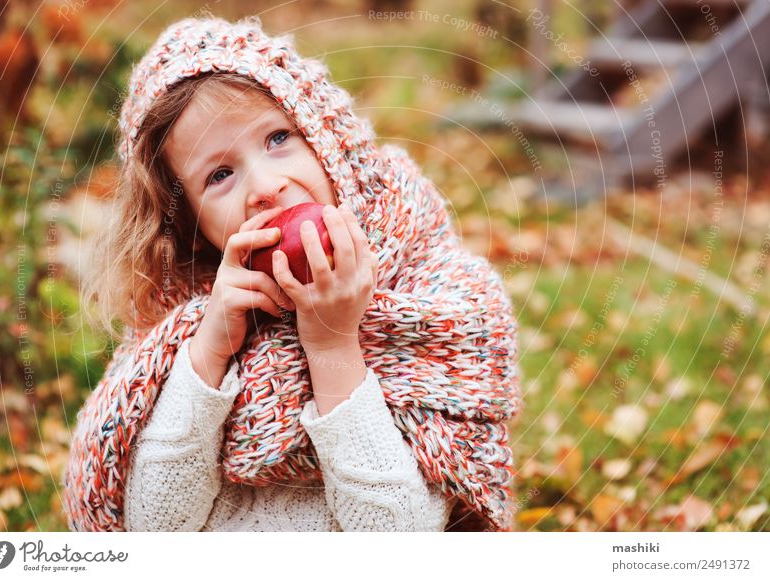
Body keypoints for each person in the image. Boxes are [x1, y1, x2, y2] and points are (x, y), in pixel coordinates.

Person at [63, 16, 521, 532]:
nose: (266, 185)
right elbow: (154, 530)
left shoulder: (438, 301)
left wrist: (332, 346)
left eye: (279, 138)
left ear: (327, 143)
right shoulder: (180, 331)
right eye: (219, 175)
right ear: (190, 226)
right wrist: (209, 351)